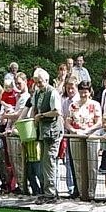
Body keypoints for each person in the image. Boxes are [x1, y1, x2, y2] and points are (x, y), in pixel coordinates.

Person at [30, 68, 63, 202]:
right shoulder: (37, 93)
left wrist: (41, 116)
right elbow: (34, 109)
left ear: (47, 80)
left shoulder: (53, 93)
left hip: (53, 131)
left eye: (40, 81)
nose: (38, 84)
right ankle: (46, 191)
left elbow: (57, 111)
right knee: (43, 161)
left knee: (49, 160)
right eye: (36, 82)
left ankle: (51, 193)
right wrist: (33, 120)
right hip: (42, 131)